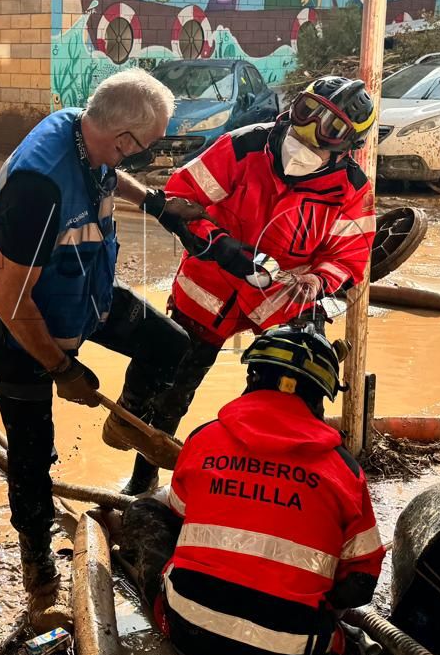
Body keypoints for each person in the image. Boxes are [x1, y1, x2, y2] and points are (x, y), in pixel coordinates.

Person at [0, 70, 205, 630]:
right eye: (148, 146)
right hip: (22, 329)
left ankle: (126, 424)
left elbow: (108, 177)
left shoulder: (82, 130)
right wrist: (62, 368)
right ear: (122, 138)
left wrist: (159, 206)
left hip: (82, 295)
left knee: (169, 345)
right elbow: (8, 298)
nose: (147, 155)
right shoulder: (38, 186)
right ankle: (38, 564)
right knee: (31, 448)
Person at [116, 325, 388, 655]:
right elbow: (360, 586)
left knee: (145, 511)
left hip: (189, 630)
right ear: (319, 399)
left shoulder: (205, 439)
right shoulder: (345, 472)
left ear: (250, 379)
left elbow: (181, 514)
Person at [110, 75, 378, 495]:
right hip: (209, 288)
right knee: (172, 389)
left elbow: (350, 256)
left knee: (287, 395)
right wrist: (219, 245)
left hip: (282, 300)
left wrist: (317, 279)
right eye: (309, 111)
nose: (309, 129)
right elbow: (181, 200)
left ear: (347, 143)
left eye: (332, 126)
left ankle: (267, 483)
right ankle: (143, 478)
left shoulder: (351, 189)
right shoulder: (244, 146)